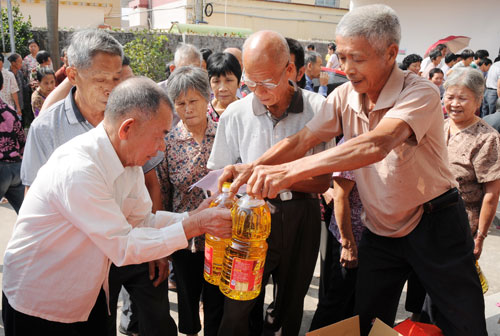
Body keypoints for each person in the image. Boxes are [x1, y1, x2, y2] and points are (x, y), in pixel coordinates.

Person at [219, 5, 487, 336]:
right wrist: (253, 168)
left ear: (390, 54)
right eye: (341, 57)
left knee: (463, 320)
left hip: (434, 223)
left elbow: (376, 144)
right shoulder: (345, 96)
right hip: (380, 230)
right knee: (369, 321)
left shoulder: (421, 93)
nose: (346, 68)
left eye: (356, 59)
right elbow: (303, 138)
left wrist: (286, 173)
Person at [2, 76, 232, 336]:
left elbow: (141, 221)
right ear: (127, 129)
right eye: (159, 136)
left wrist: (192, 216)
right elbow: (123, 245)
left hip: (87, 294)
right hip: (42, 304)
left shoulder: (128, 161)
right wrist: (194, 226)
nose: (161, 148)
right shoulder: (79, 169)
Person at [20, 29, 176, 336]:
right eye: (101, 80)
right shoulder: (48, 129)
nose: (110, 89)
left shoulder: (126, 120)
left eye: (116, 79)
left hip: (120, 248)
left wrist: (162, 244)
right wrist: (191, 226)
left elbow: (146, 187)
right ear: (74, 74)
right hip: (71, 266)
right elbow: (31, 200)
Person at [207, 30, 329, 336]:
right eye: (251, 81)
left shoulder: (318, 109)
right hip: (249, 216)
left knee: (290, 304)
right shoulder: (235, 113)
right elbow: (220, 174)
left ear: (290, 69)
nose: (259, 91)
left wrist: (277, 179)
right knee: (238, 302)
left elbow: (322, 181)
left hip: (302, 216)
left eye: (268, 82)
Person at [157, 66, 224, 336]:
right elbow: (162, 192)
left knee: (216, 298)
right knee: (186, 296)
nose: (187, 108)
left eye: (193, 101)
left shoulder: (223, 133)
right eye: (181, 103)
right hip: (183, 236)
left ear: (207, 98)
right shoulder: (169, 142)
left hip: (218, 235)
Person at [443, 67, 500, 259]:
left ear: (478, 100)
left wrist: (480, 236)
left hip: (461, 226)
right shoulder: (437, 126)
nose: (455, 104)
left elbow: (491, 194)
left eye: (463, 98)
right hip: (425, 222)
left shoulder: (487, 138)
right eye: (450, 97)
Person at [309, 138, 365, 331]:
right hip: (352, 238)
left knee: (360, 304)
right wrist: (348, 245)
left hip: (378, 236)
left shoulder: (392, 136)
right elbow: (341, 197)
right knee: (336, 302)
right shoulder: (352, 142)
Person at [0, 71, 25, 214]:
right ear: (2, 86)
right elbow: (22, 140)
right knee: (27, 217)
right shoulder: (10, 111)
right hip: (16, 169)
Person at [207, 52, 241, 122]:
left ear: (239, 83)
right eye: (216, 81)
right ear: (210, 84)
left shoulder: (248, 111)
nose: (222, 89)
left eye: (229, 80)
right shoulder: (203, 114)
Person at [7, 53, 32, 127]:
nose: (22, 64)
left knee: (22, 125)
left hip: (22, 104)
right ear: (13, 63)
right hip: (11, 105)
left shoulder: (20, 73)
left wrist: (29, 84)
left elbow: (24, 87)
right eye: (20, 62)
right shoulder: (8, 75)